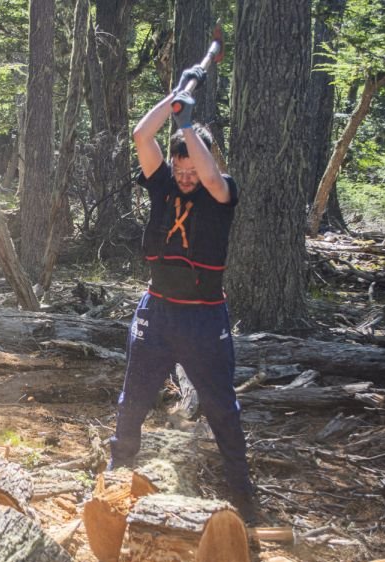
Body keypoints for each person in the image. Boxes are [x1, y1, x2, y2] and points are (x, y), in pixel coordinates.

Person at [109, 67, 257, 521]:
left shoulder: (221, 192)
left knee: (220, 407)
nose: (186, 173)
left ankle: (244, 498)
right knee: (133, 399)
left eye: (192, 164)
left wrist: (188, 125)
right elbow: (141, 134)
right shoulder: (163, 183)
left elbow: (211, 175)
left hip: (203, 318)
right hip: (157, 311)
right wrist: (175, 95)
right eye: (181, 165)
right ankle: (115, 481)